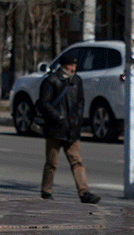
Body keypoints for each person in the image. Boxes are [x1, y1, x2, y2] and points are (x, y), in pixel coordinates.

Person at [39, 52, 103, 203]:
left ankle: (84, 193)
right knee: (51, 163)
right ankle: (46, 191)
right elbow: (44, 103)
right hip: (55, 129)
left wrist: (77, 120)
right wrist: (58, 117)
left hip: (72, 129)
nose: (74, 68)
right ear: (64, 66)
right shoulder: (51, 80)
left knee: (77, 161)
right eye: (71, 65)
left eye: (75, 65)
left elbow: (80, 102)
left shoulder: (76, 81)